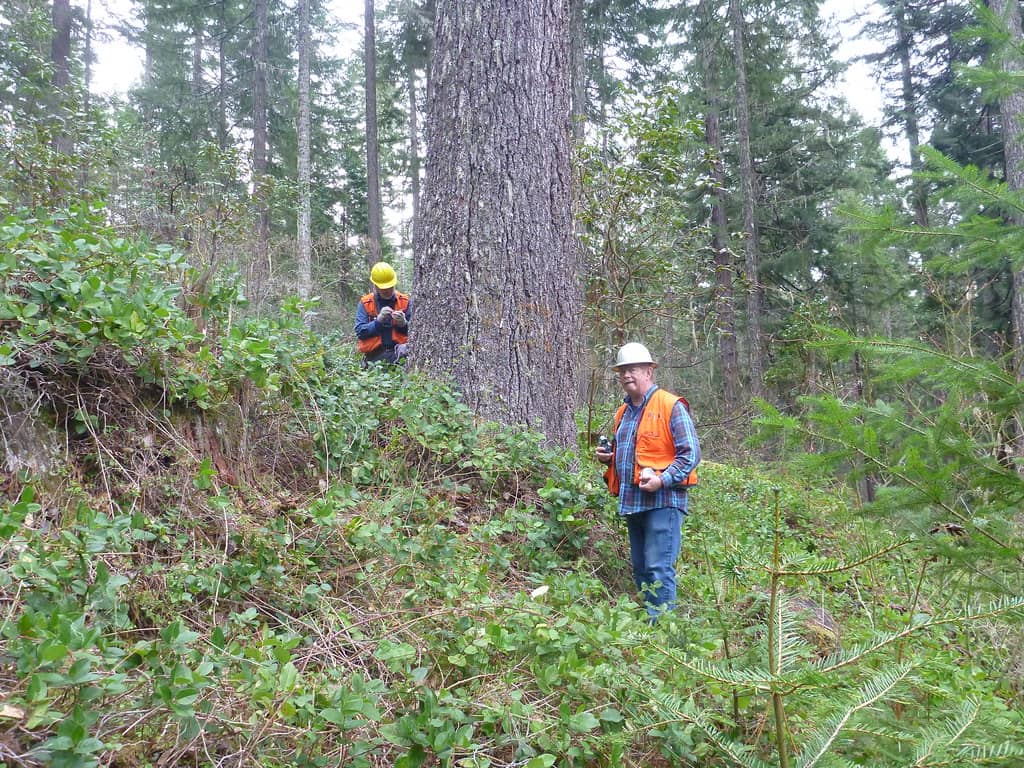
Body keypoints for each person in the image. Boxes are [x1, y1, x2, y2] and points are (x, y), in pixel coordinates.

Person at [595, 342, 701, 621]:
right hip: (633, 502)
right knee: (641, 567)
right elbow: (631, 452)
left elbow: (690, 454)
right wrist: (610, 457)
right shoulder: (623, 413)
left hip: (663, 502)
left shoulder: (670, 405)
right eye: (622, 371)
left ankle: (663, 632)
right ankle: (650, 628)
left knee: (658, 567)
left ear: (649, 371)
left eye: (633, 369)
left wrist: (663, 479)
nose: (627, 375)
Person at [354, 261, 412, 365]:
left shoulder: (405, 301)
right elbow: (360, 332)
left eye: (390, 287)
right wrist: (378, 321)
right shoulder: (365, 303)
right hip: (374, 358)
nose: (388, 290)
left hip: (400, 355)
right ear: (375, 286)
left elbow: (417, 333)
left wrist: (403, 323)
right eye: (384, 289)